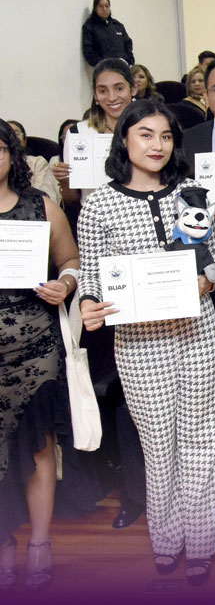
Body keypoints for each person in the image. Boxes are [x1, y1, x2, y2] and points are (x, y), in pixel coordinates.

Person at [76, 100, 215, 585]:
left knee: (201, 438)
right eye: (145, 135)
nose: (156, 145)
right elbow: (93, 274)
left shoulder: (189, 193)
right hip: (139, 342)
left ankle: (201, 544)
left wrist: (205, 280)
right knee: (158, 443)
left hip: (196, 332)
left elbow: (212, 261)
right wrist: (88, 303)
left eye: (165, 136)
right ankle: (166, 540)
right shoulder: (99, 202)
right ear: (124, 140)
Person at [0, 120, 79, 593]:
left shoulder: (41, 207)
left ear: (13, 156)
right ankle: (4, 544)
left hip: (34, 347)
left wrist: (64, 284)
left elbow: (71, 260)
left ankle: (40, 545)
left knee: (36, 446)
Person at [51, 58, 134, 200]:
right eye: (103, 91)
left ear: (133, 89)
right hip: (95, 217)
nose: (112, 97)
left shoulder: (149, 130)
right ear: (95, 95)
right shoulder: (79, 133)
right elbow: (72, 200)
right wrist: (64, 180)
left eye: (119, 88)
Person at [5, 121, 60, 205]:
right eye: (8, 134)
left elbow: (42, 194)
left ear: (25, 140)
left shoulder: (37, 162)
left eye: (16, 133)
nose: (12, 138)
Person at [81, 0, 133, 66]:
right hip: (104, 70)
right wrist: (102, 65)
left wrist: (129, 61)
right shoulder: (90, 26)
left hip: (123, 68)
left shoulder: (117, 25)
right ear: (95, 8)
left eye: (107, 6)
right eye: (101, 6)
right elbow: (88, 51)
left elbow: (128, 43)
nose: (104, 9)